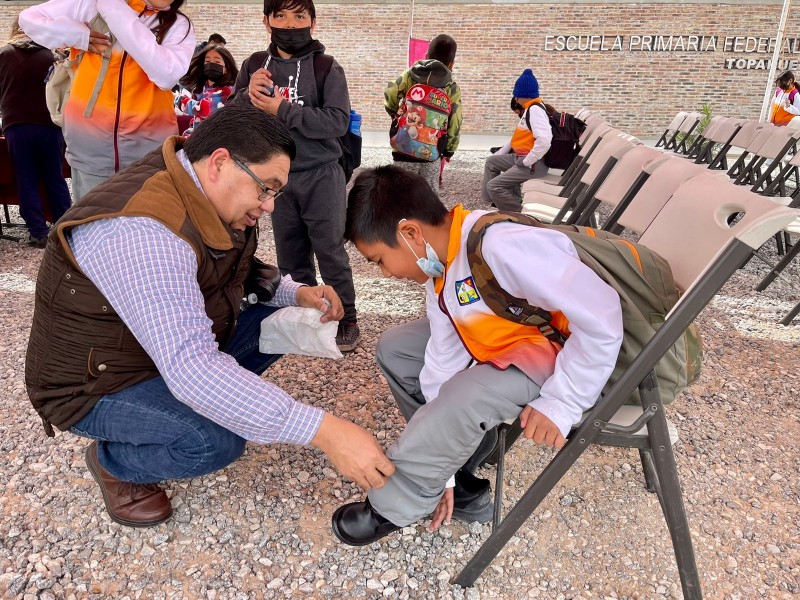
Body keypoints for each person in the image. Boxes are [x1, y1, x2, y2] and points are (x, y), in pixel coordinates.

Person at [25, 104, 394, 528]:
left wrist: (297, 293)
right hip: (95, 382)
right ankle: (114, 462)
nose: (270, 206)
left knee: (273, 325)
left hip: (143, 349)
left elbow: (238, 269)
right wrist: (328, 432)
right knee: (213, 440)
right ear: (220, 162)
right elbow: (191, 366)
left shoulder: (198, 185)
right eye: (266, 188)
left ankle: (200, 405)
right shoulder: (144, 231)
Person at [330, 166, 623, 545]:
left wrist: (563, 402)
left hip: (563, 354)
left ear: (410, 233)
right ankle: (454, 470)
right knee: (397, 350)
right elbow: (440, 363)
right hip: (511, 344)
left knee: (464, 395)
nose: (385, 274)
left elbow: (601, 315)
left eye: (379, 260)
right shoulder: (443, 266)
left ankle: (393, 506)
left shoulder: (502, 245)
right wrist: (444, 470)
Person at [231, 0, 361, 352]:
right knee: (290, 253)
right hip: (275, 181)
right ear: (267, 21)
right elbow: (232, 118)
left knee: (330, 250)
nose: (290, 23)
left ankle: (346, 316)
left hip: (322, 174)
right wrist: (247, 95)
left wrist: (281, 109)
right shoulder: (255, 65)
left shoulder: (326, 67)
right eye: (281, 16)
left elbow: (336, 121)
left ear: (313, 22)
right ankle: (309, 315)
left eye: (299, 15)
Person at [19, 0, 196, 200]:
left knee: (143, 226)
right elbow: (29, 19)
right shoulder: (89, 5)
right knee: (90, 224)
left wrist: (113, 7)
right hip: (88, 146)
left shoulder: (178, 24)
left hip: (148, 153)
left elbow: (166, 74)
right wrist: (79, 36)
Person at [0, 18, 72, 248]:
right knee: (54, 177)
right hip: (49, 124)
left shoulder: (3, 55)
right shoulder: (51, 57)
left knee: (26, 178)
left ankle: (38, 231)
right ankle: (64, 230)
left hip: (16, 125)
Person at [384, 34, 462, 194]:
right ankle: (428, 219)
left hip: (403, 147)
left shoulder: (410, 75)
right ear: (452, 64)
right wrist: (449, 149)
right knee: (429, 195)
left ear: (426, 56)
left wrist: (394, 112)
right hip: (431, 152)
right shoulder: (451, 87)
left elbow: (391, 91)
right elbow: (455, 120)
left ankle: (401, 219)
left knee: (400, 194)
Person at [482, 69, 553, 212]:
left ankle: (518, 213)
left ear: (522, 94)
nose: (515, 98)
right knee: (491, 162)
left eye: (516, 95)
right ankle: (494, 201)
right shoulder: (530, 109)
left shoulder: (535, 110)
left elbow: (545, 140)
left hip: (531, 164)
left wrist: (528, 160)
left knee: (494, 186)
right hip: (520, 158)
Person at [175, 43, 238, 135]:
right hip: (198, 138)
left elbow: (203, 109)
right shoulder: (199, 89)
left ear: (227, 69)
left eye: (217, 62)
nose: (211, 64)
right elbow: (196, 119)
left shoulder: (227, 91)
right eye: (207, 61)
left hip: (216, 139)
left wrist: (178, 99)